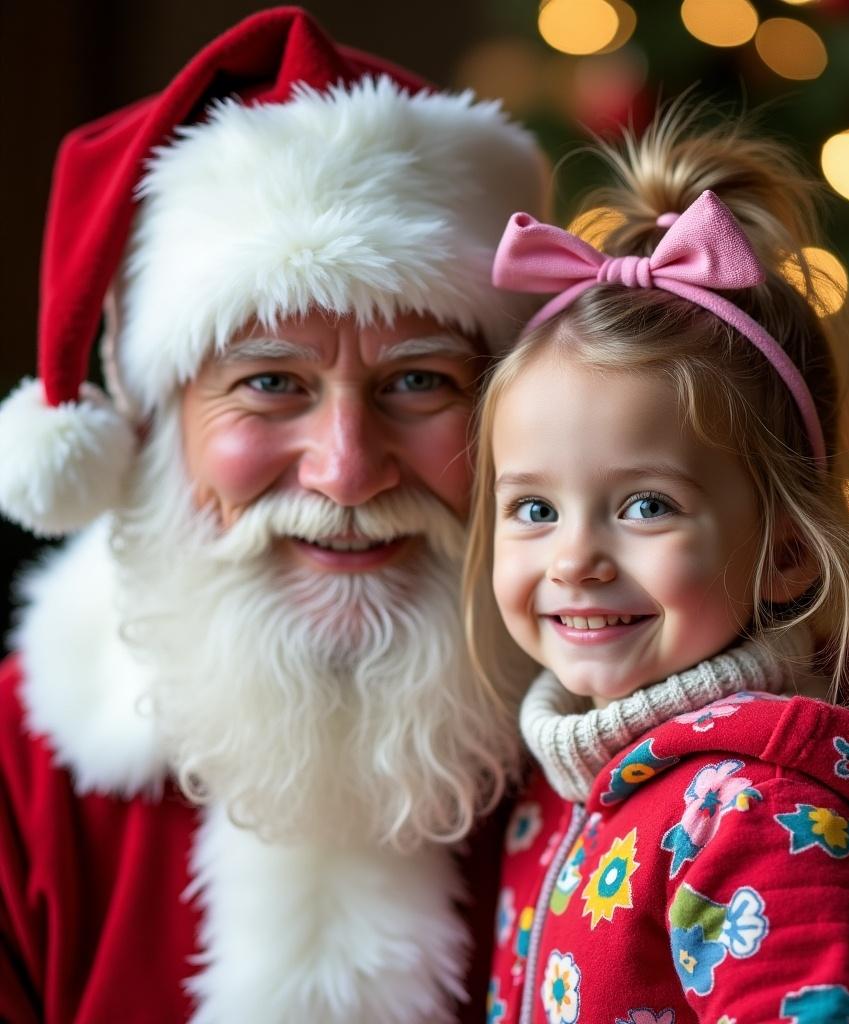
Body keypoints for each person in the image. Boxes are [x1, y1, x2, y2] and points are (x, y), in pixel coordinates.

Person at [0, 7, 548, 1022]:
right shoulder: (11, 778)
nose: (345, 471)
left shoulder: (644, 757)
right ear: (158, 422)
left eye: (419, 380)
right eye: (269, 385)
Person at [463, 109, 849, 1022]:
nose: (572, 557)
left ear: (789, 554)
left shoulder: (760, 819)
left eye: (646, 505)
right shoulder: (552, 783)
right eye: (534, 508)